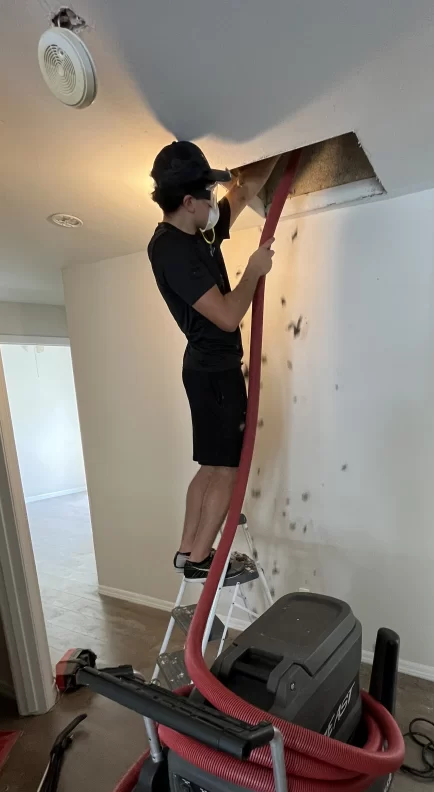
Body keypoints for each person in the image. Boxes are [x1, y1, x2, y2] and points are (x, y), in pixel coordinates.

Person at [147, 141, 277, 581]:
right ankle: (202, 558)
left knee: (209, 466)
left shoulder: (197, 231)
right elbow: (225, 316)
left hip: (206, 369)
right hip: (215, 373)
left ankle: (187, 551)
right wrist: (254, 271)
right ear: (188, 202)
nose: (214, 203)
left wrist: (285, 147)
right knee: (226, 467)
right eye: (208, 195)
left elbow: (243, 192)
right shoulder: (171, 250)